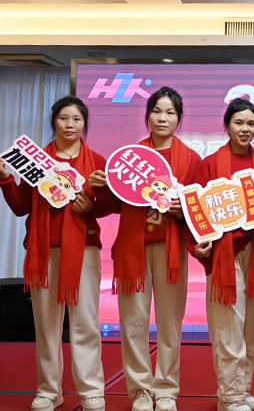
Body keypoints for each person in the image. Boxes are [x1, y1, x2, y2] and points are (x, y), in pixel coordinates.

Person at [89, 86, 201, 411]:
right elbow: (113, 204)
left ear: (179, 119)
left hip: (170, 251)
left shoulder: (191, 159)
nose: (162, 118)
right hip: (133, 251)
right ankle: (139, 389)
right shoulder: (130, 157)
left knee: (170, 323)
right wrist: (101, 187)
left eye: (170, 112)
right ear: (147, 116)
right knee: (133, 321)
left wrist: (184, 210)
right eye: (157, 111)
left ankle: (166, 390)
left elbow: (198, 207)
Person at [0, 96, 107, 411]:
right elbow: (21, 206)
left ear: (84, 123)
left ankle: (92, 391)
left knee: (86, 322)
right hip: (43, 251)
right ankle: (49, 390)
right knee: (46, 324)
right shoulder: (36, 161)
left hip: (84, 250)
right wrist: (5, 179)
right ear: (54, 122)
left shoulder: (97, 161)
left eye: (76, 119)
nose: (70, 125)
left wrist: (92, 206)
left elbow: (109, 206)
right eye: (63, 118)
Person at [188, 98, 254, 411]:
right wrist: (196, 246)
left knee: (250, 327)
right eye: (239, 123)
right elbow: (194, 209)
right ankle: (230, 396)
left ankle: (243, 389)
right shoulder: (209, 164)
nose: (245, 129)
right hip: (222, 253)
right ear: (227, 126)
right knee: (227, 326)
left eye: (251, 123)